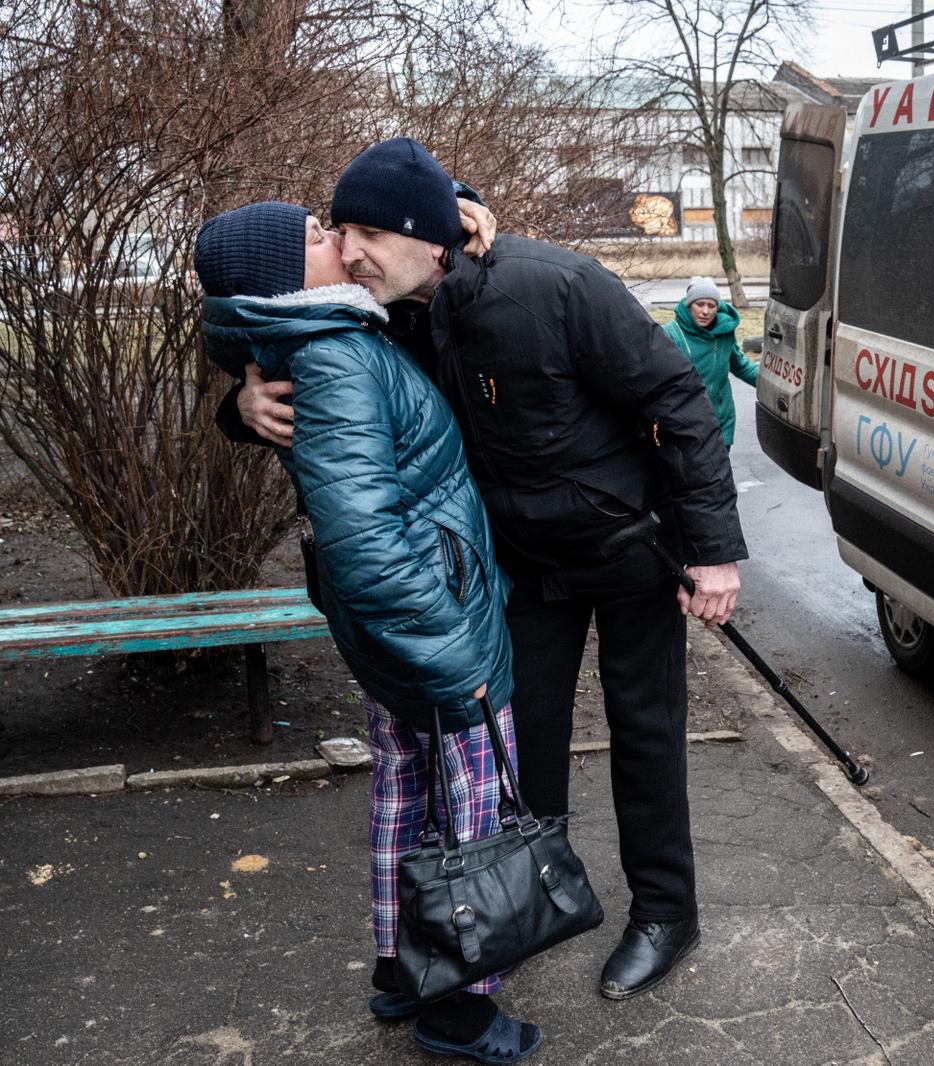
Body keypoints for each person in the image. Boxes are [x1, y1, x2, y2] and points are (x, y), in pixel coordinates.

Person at [228, 138, 747, 1001]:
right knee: (524, 747)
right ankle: (534, 897)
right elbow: (276, 350)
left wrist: (712, 549)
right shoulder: (385, 314)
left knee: (646, 735)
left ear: (431, 234)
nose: (350, 253)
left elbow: (676, 401)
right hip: (522, 569)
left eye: (367, 233)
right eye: (340, 231)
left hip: (628, 553)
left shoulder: (554, 285)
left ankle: (665, 913)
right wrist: (242, 406)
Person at [195, 202, 542, 1063]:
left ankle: (401, 966)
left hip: (395, 626)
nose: (342, 246)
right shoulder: (337, 356)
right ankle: (459, 1009)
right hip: (432, 622)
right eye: (318, 238)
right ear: (285, 277)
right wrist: (452, 656)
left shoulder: (314, 340)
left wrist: (448, 202)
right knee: (470, 812)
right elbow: (367, 545)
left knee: (403, 790)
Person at [661, 276, 760, 448]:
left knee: (719, 474)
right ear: (689, 304)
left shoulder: (724, 332)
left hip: (721, 422)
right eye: (699, 304)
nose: (705, 311)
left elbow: (741, 366)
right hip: (686, 425)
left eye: (711, 305)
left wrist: (772, 385)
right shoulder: (671, 335)